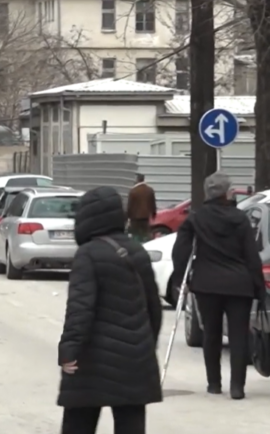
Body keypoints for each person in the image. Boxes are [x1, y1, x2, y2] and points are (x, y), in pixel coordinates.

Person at [57, 186, 163, 434]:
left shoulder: (87, 254)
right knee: (130, 423)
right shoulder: (137, 251)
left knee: (79, 420)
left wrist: (68, 349)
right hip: (135, 357)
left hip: (91, 360)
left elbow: (80, 309)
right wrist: (146, 345)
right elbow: (153, 307)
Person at [171, 171, 265, 400]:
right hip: (239, 284)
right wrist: (259, 287)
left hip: (207, 284)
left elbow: (180, 251)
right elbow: (251, 256)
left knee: (211, 333)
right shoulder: (240, 218)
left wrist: (180, 279)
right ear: (225, 193)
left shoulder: (196, 218)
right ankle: (237, 387)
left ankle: (213, 383)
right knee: (238, 335)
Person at [126, 173, 157, 243]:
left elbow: (130, 205)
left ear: (137, 179)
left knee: (135, 235)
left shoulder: (133, 191)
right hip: (146, 217)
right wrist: (153, 214)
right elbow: (153, 203)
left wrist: (128, 217)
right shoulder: (149, 190)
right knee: (146, 234)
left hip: (135, 218)